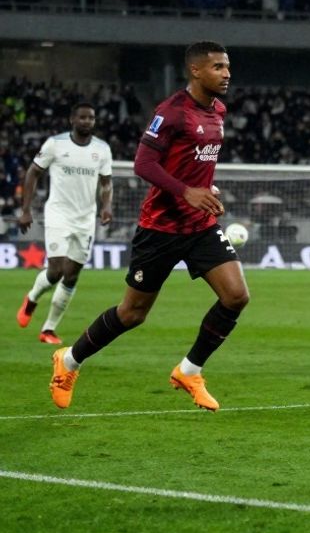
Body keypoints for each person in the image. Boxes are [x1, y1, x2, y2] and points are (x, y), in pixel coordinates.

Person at [48, 41, 250, 412]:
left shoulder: (218, 110)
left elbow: (194, 161)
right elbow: (143, 164)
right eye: (219, 67)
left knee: (236, 295)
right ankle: (69, 361)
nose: (227, 74)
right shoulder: (172, 112)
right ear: (196, 71)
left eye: (227, 67)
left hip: (200, 225)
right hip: (160, 228)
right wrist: (186, 190)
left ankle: (189, 370)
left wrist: (205, 188)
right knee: (132, 314)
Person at [17, 102, 113, 344]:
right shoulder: (55, 144)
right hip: (58, 214)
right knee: (57, 269)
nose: (87, 122)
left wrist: (106, 206)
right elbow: (32, 173)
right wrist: (26, 210)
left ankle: (48, 329)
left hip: (85, 219)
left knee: (71, 276)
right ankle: (32, 298)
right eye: (82, 117)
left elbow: (106, 183)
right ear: (72, 119)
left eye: (91, 118)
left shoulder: (102, 150)